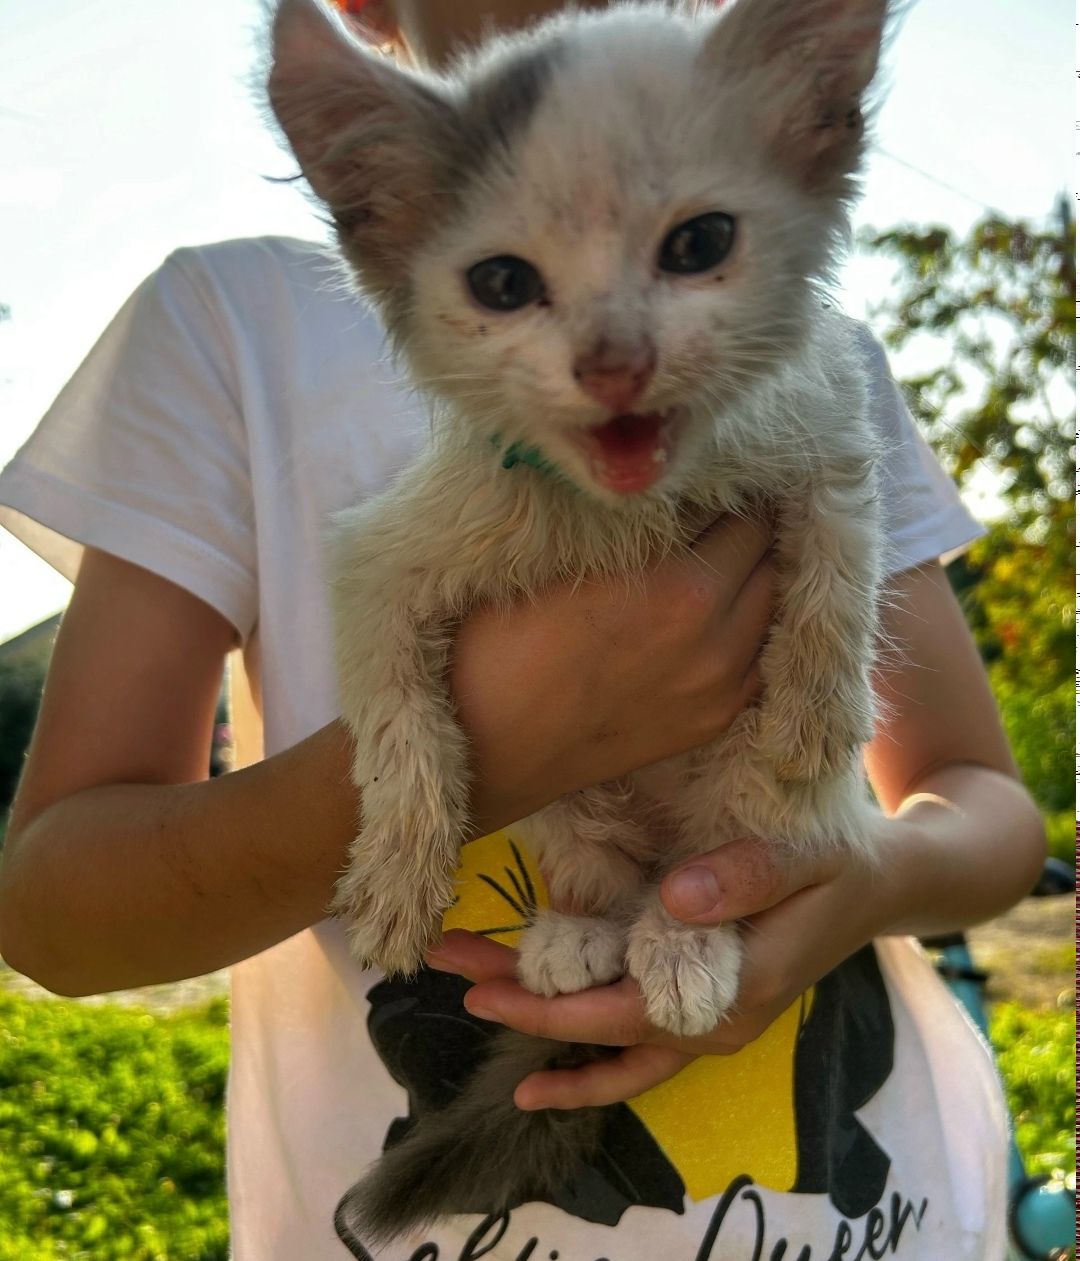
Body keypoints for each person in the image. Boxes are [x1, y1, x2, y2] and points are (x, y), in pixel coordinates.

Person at [0, 1, 1046, 1258]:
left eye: (694, 242)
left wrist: (860, 877)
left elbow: (980, 802)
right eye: (508, 282)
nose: (614, 359)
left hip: (901, 1218)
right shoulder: (235, 325)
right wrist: (497, 745)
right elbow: (53, 916)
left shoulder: (823, 356)